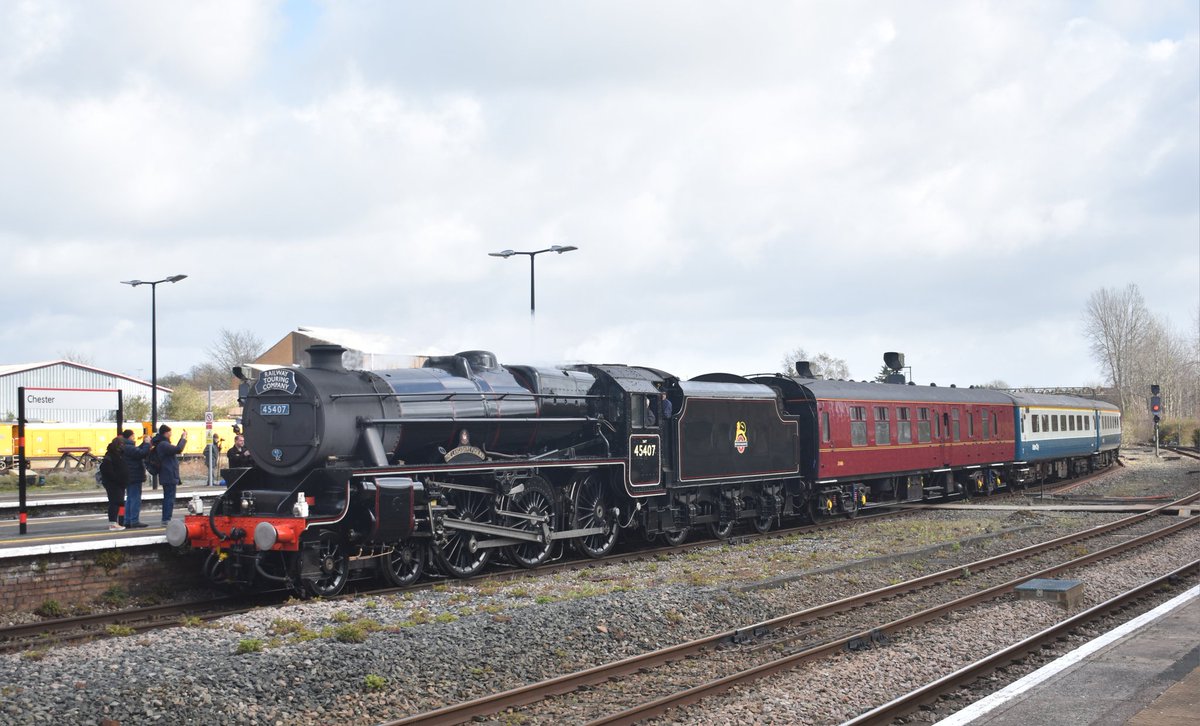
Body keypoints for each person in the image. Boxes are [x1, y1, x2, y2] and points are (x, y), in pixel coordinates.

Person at [151, 425, 187, 526]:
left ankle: (166, 518)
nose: (171, 434)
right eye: (170, 432)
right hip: (168, 474)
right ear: (166, 433)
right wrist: (183, 438)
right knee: (169, 498)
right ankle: (166, 519)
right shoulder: (163, 444)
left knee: (168, 497)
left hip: (168, 474)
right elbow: (178, 449)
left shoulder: (162, 444)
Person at [121, 429, 152, 529]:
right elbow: (141, 453)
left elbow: (137, 451)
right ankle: (134, 520)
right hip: (134, 476)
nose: (134, 437)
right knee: (135, 498)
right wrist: (147, 444)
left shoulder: (125, 447)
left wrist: (143, 444)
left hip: (129, 476)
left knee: (130, 498)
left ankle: (127, 520)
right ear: (130, 436)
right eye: (133, 436)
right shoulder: (129, 447)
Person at [98, 437, 129, 531]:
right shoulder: (110, 456)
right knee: (114, 502)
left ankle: (120, 522)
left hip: (120, 483)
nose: (124, 446)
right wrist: (117, 479)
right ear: (118, 445)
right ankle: (112, 523)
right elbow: (107, 470)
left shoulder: (120, 454)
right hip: (113, 483)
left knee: (120, 503)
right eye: (122, 444)